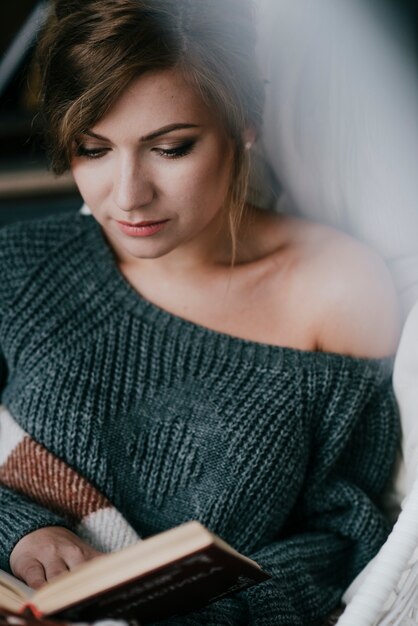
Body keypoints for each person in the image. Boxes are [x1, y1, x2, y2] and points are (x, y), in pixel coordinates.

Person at [0, 0, 401, 624]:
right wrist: (21, 531)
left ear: (243, 121)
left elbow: (343, 538)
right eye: (93, 149)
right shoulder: (22, 267)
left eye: (171, 148)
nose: (128, 195)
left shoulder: (333, 294)